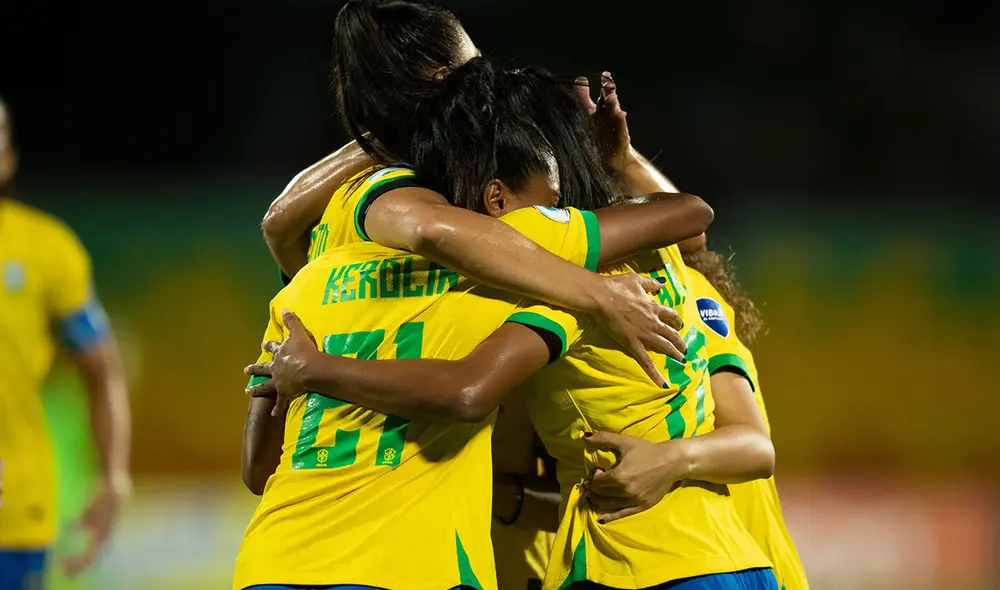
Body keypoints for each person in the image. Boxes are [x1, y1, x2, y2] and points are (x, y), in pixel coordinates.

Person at [248, 59, 778, 590]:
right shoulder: (655, 279)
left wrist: (314, 370)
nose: (555, 209)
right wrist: (623, 163)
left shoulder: (304, 290)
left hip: (279, 559)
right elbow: (690, 215)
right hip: (731, 559)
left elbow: (257, 470)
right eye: (550, 202)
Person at [261, 0, 687, 387]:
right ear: (443, 79)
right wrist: (600, 294)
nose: (487, 78)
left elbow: (277, 224)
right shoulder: (403, 196)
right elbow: (467, 393)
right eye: (475, 65)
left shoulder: (343, 203)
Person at [0, 97, 131, 588]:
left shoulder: (46, 252)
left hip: (12, 515)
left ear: (8, 158)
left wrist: (112, 479)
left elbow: (102, 369)